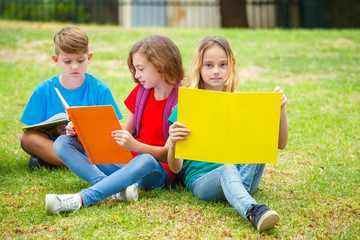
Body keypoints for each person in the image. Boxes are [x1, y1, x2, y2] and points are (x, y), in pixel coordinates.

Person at [46, 34, 184, 214]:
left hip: (156, 171)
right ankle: (116, 189)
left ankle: (81, 198)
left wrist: (134, 145)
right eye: (135, 69)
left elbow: (169, 156)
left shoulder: (182, 100)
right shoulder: (141, 92)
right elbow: (122, 132)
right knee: (63, 142)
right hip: (126, 163)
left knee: (146, 160)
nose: (136, 75)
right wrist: (82, 132)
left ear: (161, 65)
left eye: (140, 69)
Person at [167, 36, 288, 232]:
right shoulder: (187, 106)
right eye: (209, 65)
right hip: (203, 181)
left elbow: (280, 144)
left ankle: (236, 194)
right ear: (199, 67)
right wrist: (173, 142)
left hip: (243, 174)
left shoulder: (241, 103)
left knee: (255, 141)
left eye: (222, 64)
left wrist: (280, 110)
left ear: (232, 65)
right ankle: (252, 210)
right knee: (227, 169)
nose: (216, 71)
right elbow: (175, 168)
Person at [20, 26, 122, 169]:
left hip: (89, 146)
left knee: (105, 146)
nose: (75, 66)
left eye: (80, 60)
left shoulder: (100, 89)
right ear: (56, 60)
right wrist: (56, 131)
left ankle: (57, 162)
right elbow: (31, 132)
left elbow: (111, 130)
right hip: (55, 144)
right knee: (28, 139)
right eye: (68, 61)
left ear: (89, 58)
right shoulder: (43, 90)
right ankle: (79, 163)